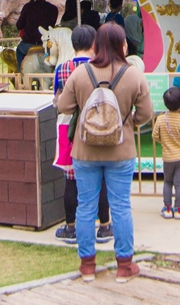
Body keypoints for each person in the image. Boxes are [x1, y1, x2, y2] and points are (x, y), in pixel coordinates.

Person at [54, 23, 153, 282]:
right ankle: (124, 266)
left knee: (85, 206)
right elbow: (145, 114)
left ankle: (87, 265)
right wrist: (125, 121)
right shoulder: (133, 74)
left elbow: (63, 106)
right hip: (121, 151)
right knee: (121, 206)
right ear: (123, 46)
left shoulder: (80, 73)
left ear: (95, 45)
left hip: (85, 151)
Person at [51, 25, 111, 245]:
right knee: (101, 176)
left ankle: (71, 226)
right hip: (97, 125)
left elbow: (56, 99)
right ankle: (104, 225)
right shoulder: (102, 67)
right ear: (94, 44)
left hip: (68, 127)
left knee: (71, 179)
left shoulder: (62, 69)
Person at [154, 86, 180, 220]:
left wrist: (164, 142)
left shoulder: (161, 119)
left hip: (168, 157)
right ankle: (178, 209)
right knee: (179, 184)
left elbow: (155, 135)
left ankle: (167, 208)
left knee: (167, 182)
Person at [15, 0, 59, 68]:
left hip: (28, 44)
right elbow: (51, 27)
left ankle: (21, 75)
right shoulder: (53, 9)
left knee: (19, 50)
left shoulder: (28, 7)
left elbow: (19, 25)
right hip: (45, 45)